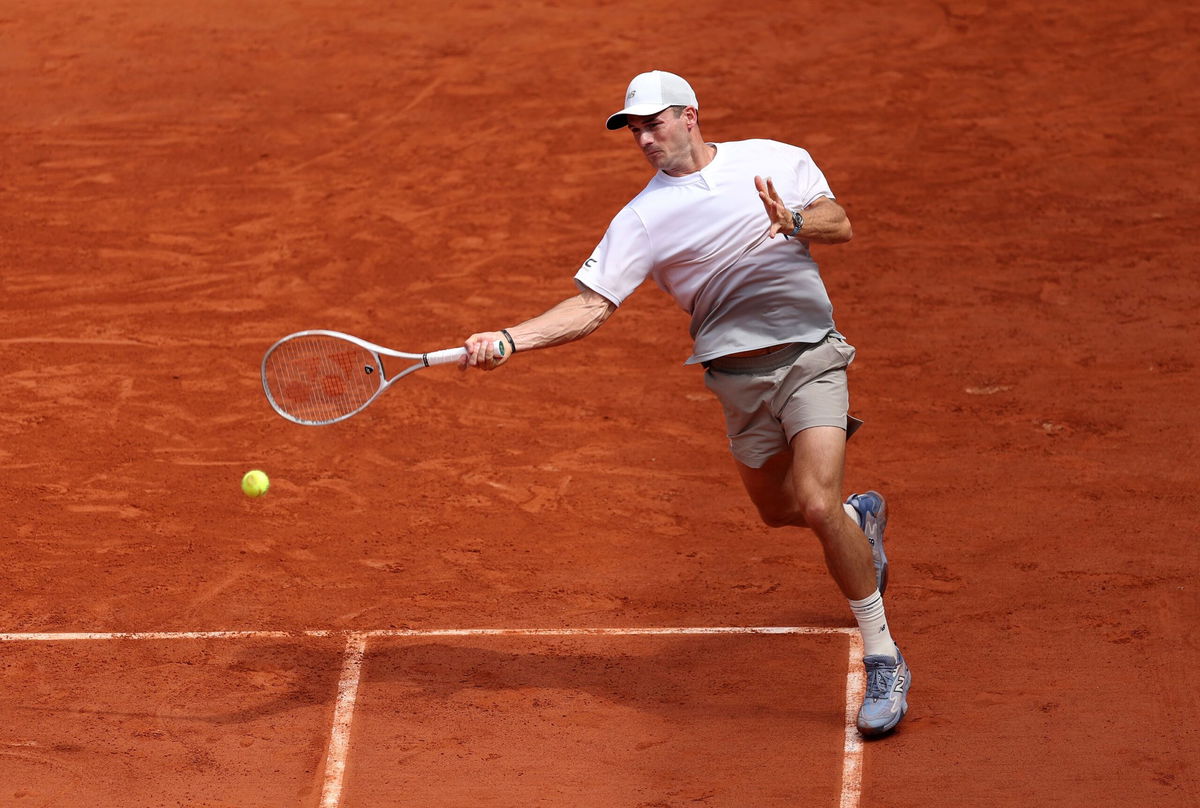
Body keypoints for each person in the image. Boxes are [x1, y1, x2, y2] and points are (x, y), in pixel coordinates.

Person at [460, 70, 911, 736]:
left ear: (691, 115)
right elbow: (591, 306)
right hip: (735, 380)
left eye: (654, 122)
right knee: (782, 510)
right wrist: (508, 338)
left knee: (813, 500)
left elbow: (838, 223)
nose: (643, 138)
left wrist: (791, 221)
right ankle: (857, 520)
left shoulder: (773, 160)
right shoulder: (642, 218)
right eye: (634, 129)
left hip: (812, 356)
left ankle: (883, 653)